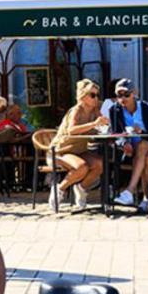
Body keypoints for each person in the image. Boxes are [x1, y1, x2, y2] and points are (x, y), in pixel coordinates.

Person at [49, 79, 107, 212]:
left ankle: (81, 188)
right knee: (82, 167)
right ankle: (60, 189)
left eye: (97, 95)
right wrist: (94, 124)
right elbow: (72, 130)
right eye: (92, 95)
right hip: (60, 151)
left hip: (79, 150)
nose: (96, 98)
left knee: (100, 164)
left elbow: (98, 126)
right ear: (83, 96)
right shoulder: (76, 110)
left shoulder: (94, 111)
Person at [107, 78, 148, 208]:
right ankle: (147, 199)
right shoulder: (115, 110)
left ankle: (130, 191)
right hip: (132, 151)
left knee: (142, 146)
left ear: (134, 94)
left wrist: (142, 131)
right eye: (119, 95)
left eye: (126, 94)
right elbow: (116, 134)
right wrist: (123, 144)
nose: (123, 98)